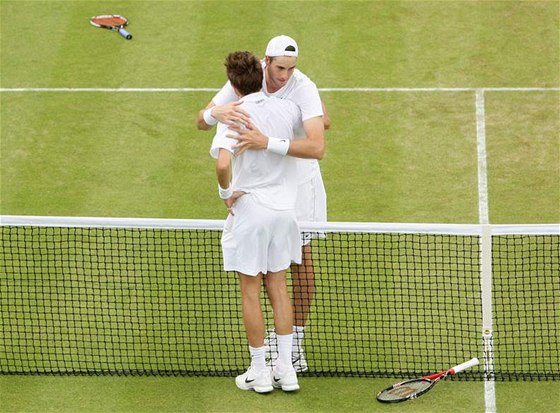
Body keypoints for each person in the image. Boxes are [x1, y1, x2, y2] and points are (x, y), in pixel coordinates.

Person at [198, 35, 329, 372]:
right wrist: (215, 112)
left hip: (300, 184)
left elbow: (317, 145)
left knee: (299, 258)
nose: (285, 76)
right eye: (280, 68)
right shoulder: (247, 79)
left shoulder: (302, 87)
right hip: (262, 188)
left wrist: (266, 140)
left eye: (291, 69)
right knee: (271, 270)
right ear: (265, 62)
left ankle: (294, 345)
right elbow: (202, 120)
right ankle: (279, 349)